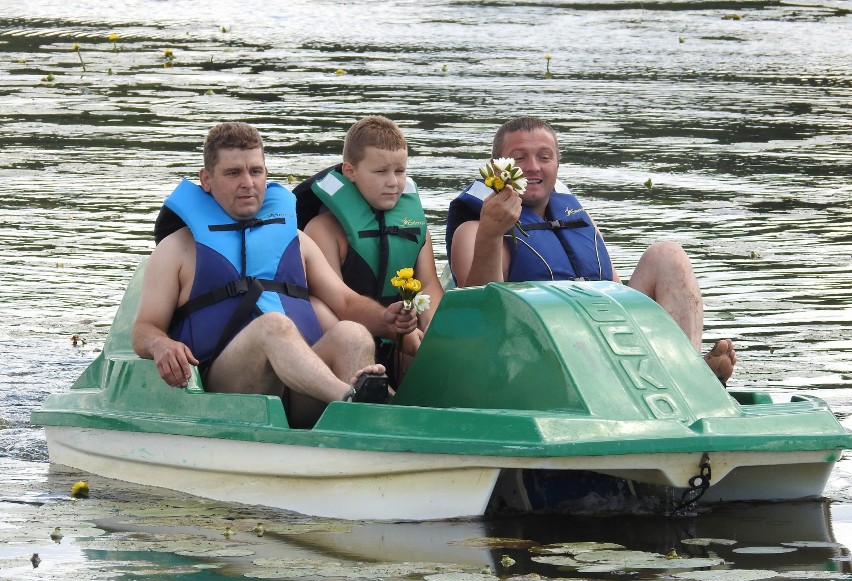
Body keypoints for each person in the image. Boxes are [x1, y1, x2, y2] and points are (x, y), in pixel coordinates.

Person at [133, 122, 418, 428]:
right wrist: (161, 345)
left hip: (300, 388)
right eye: (233, 173)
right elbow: (144, 330)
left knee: (354, 333)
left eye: (256, 171)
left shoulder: (295, 241)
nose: (247, 183)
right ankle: (360, 404)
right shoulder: (177, 248)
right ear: (206, 179)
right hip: (228, 389)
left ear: (266, 175)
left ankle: (362, 431)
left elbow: (346, 303)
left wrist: (386, 320)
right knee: (273, 325)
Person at [446, 116, 736, 384]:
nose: (533, 167)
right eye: (519, 158)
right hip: (535, 358)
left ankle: (688, 372)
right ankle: (683, 377)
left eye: (544, 157)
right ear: (497, 167)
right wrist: (492, 233)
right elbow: (480, 314)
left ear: (557, 164)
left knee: (668, 254)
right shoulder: (473, 230)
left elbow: (616, 292)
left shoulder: (576, 217)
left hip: (603, 342)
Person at [294, 115, 443, 384]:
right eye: (380, 172)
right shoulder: (323, 230)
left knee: (440, 340)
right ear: (350, 171)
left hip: (401, 333)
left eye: (400, 171)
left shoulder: (415, 227)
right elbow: (334, 303)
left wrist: (432, 330)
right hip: (348, 339)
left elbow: (429, 286)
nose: (393, 182)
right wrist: (397, 329)